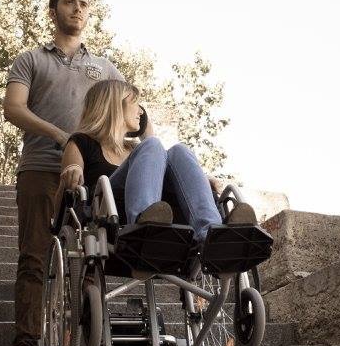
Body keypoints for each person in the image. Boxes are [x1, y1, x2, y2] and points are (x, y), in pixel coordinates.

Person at [0, 0, 124, 346]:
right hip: (39, 168)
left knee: (92, 257)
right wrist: (58, 135)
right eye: (69, 2)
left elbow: (130, 109)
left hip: (91, 174)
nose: (78, 9)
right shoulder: (31, 60)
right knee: (35, 256)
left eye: (84, 4)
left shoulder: (103, 67)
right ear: (53, 11)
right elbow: (12, 108)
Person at [60, 79, 257, 245]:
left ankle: (211, 234)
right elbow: (66, 197)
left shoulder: (136, 149)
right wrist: (73, 169)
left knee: (179, 150)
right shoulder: (81, 142)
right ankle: (143, 226)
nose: (141, 112)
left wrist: (202, 179)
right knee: (152, 144)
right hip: (108, 213)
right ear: (115, 106)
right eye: (136, 103)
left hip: (162, 212)